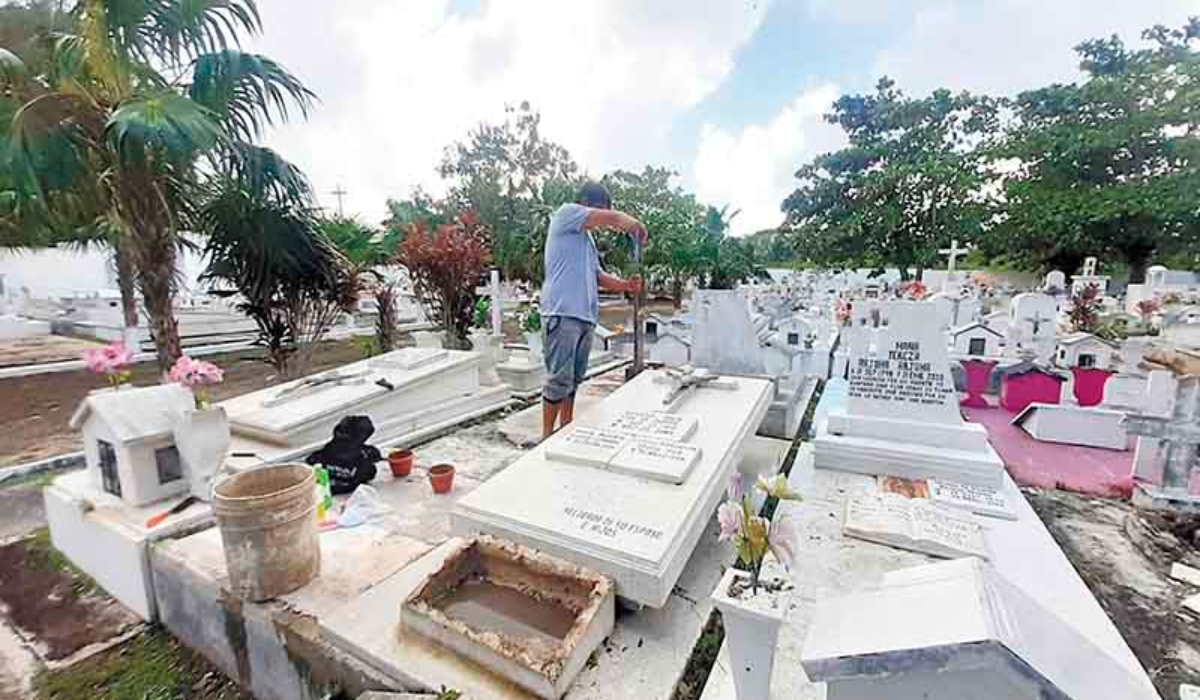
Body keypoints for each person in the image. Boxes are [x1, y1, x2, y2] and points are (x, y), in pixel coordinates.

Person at [540, 182, 647, 439]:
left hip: (585, 317)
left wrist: (626, 285)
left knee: (573, 380)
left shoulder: (585, 240)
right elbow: (612, 219)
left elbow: (597, 275)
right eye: (600, 210)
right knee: (558, 380)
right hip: (563, 312)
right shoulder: (566, 214)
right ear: (588, 203)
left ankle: (565, 429)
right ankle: (545, 437)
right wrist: (635, 225)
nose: (602, 218)